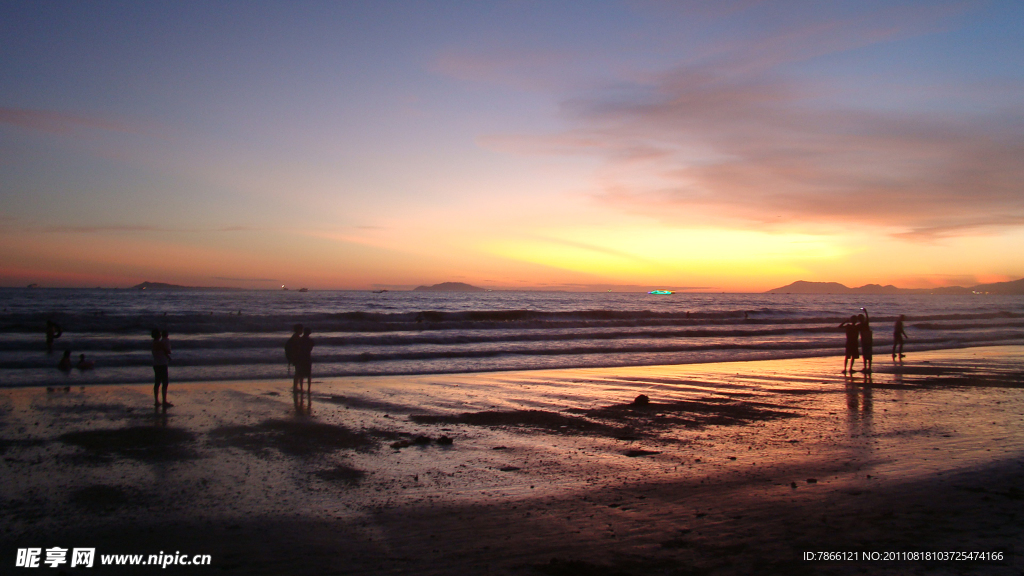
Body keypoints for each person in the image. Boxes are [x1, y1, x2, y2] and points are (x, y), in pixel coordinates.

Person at [151, 329, 172, 407]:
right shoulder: (160, 343)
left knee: (157, 382)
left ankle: (156, 401)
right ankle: (164, 401)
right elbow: (167, 351)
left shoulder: (153, 343)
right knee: (165, 382)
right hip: (162, 364)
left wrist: (168, 357)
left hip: (156, 364)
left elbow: (163, 352)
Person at [295, 327, 314, 392]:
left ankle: (302, 388)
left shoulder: (300, 340)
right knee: (308, 374)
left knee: (301, 374)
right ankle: (308, 389)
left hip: (301, 358)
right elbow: (311, 348)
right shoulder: (310, 340)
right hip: (308, 357)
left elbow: (297, 348)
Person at [858, 308, 873, 373]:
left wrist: (866, 312)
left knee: (868, 354)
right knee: (866, 354)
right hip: (865, 340)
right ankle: (867, 367)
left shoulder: (864, 324)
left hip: (867, 340)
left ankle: (868, 367)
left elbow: (867, 318)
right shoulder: (860, 325)